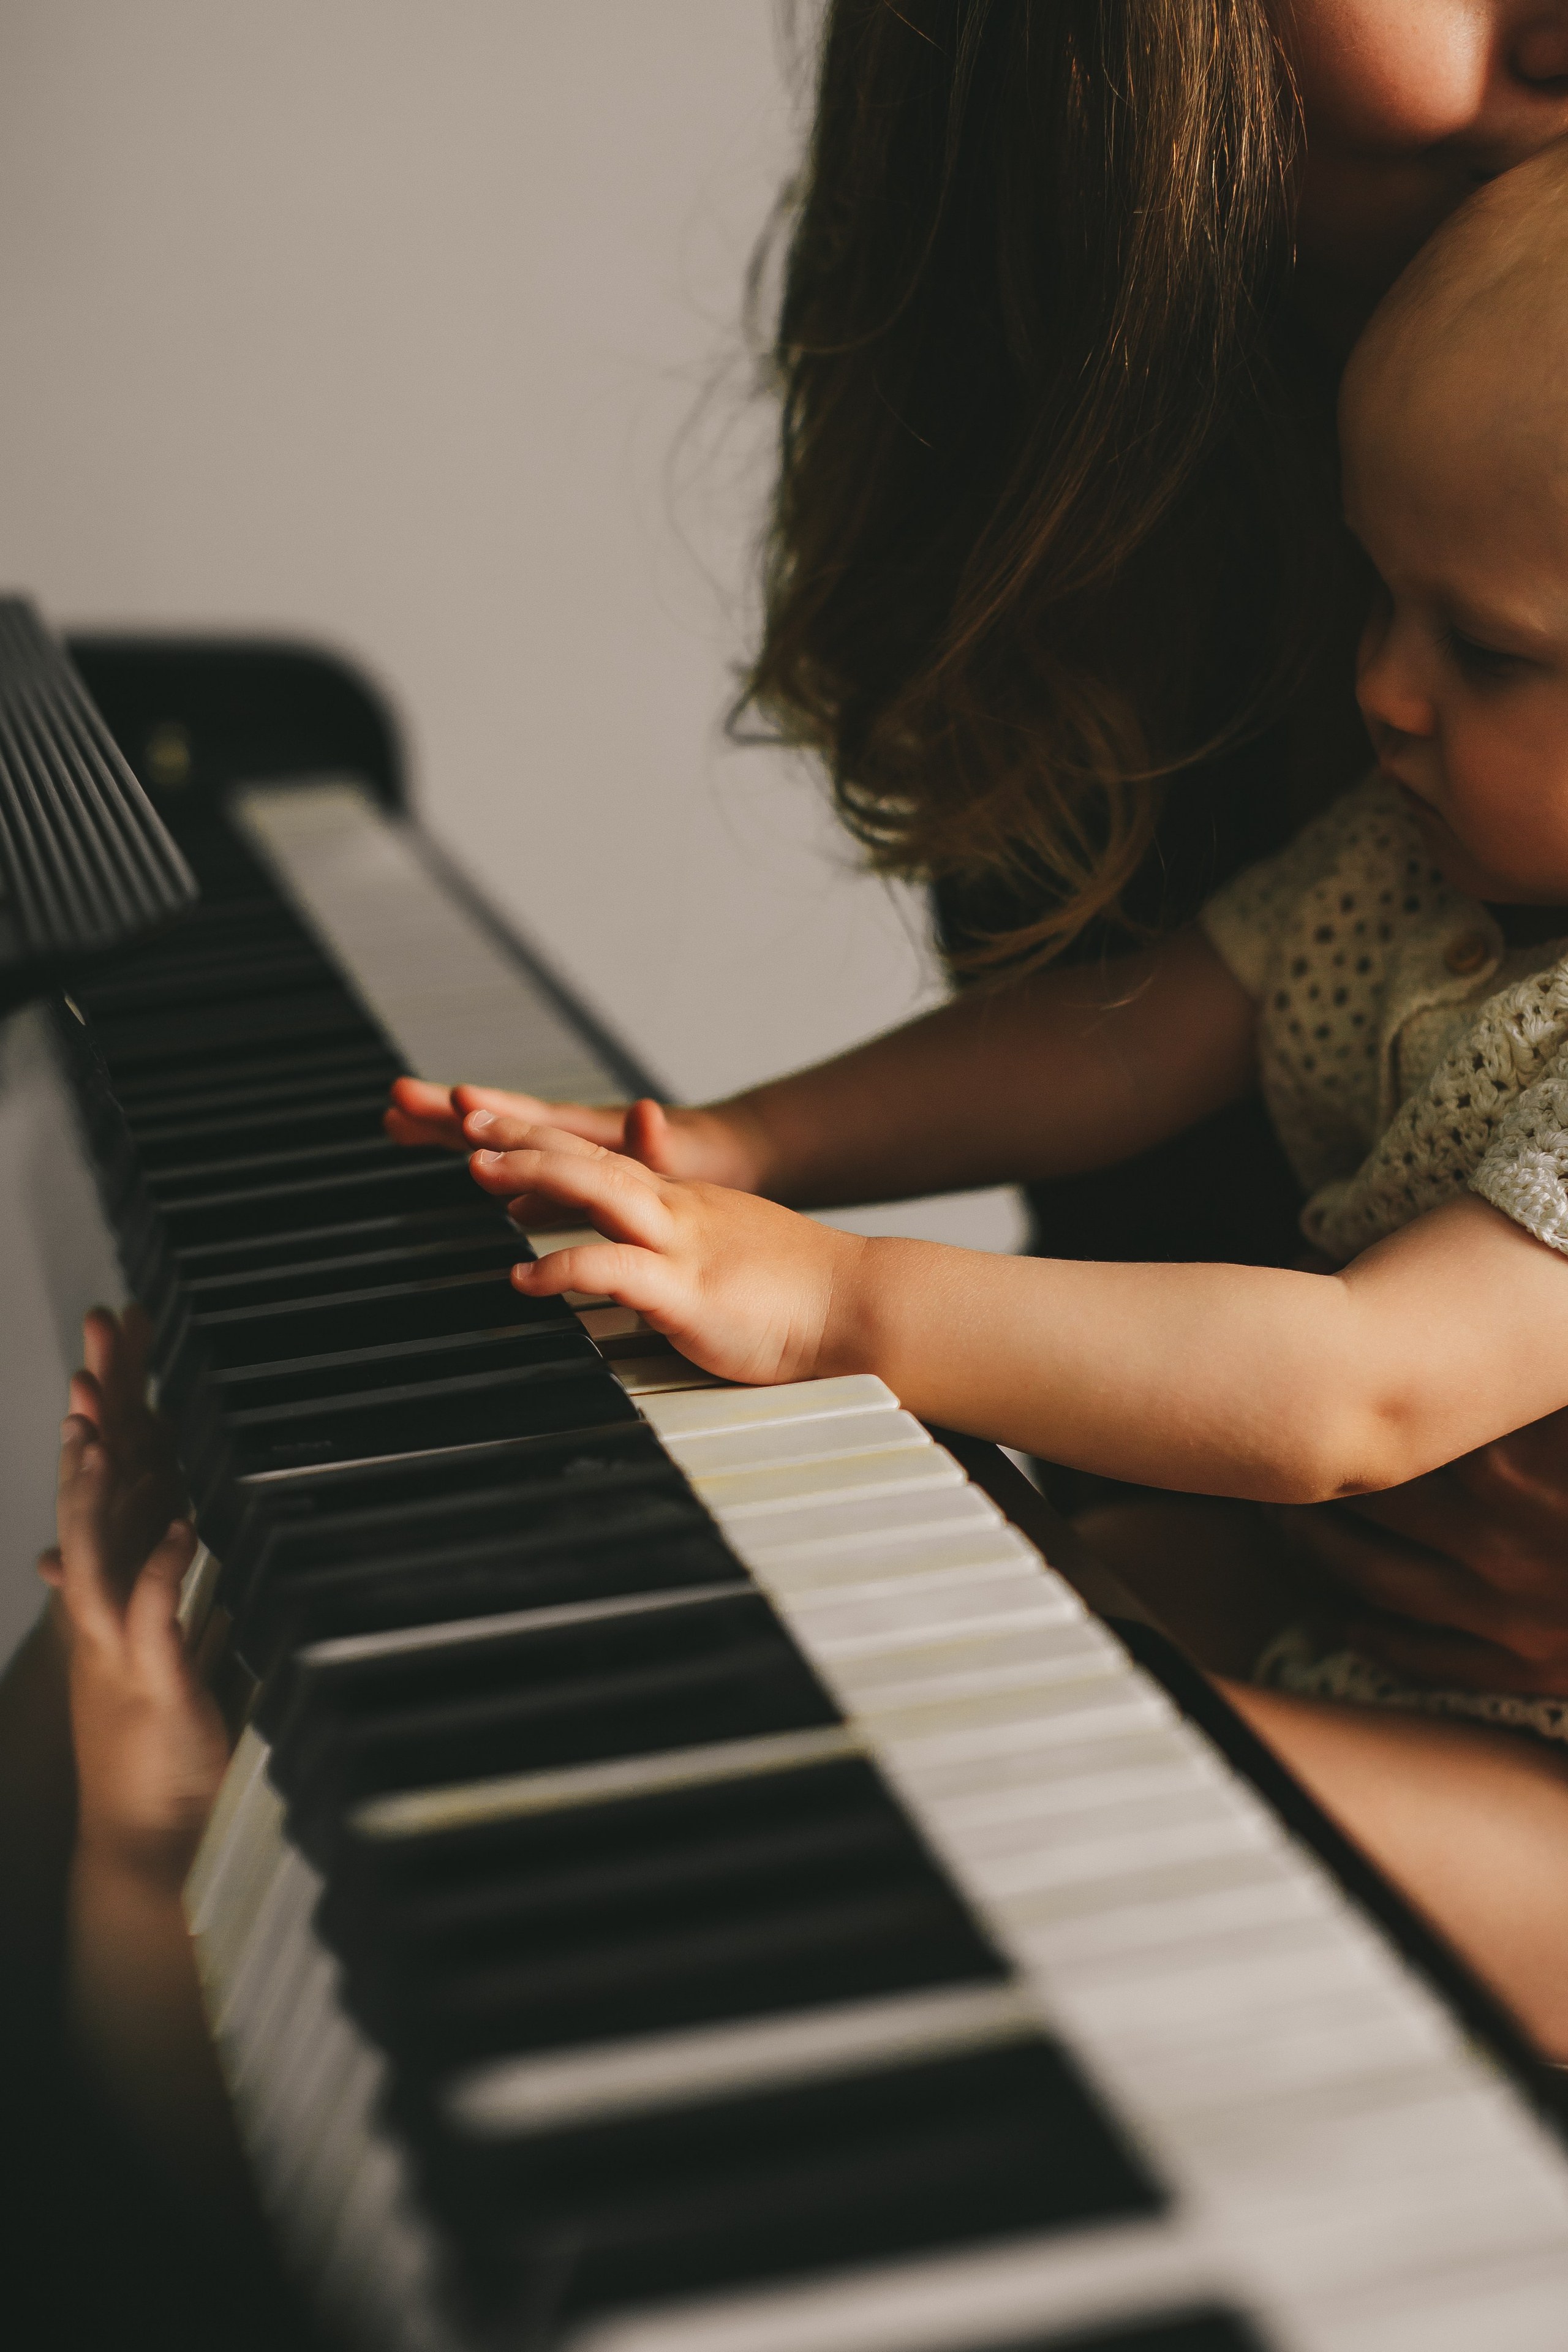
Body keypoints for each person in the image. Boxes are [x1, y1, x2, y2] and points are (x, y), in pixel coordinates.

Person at [393, 0, 1568, 1706]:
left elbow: (1351, 1392)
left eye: (1492, 648)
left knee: (1070, 1762)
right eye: (1377, 595)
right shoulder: (1388, 839)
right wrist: (735, 1148)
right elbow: (1124, 1042)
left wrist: (836, 1304)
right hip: (1358, 1599)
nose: (1382, 686)